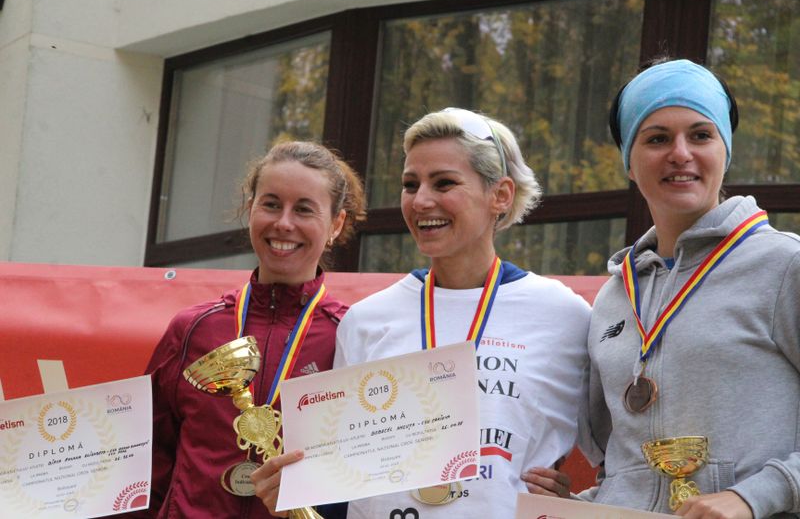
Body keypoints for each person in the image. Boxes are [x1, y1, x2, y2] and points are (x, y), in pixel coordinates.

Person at [252, 108, 591, 519]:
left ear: (500, 195)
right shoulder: (366, 320)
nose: (421, 200)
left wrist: (574, 506)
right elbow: (342, 486)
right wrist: (296, 499)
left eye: (444, 182)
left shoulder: (564, 315)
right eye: (410, 185)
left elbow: (625, 457)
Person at [525, 59, 800, 518]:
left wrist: (753, 496)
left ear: (725, 151)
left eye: (700, 135)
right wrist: (573, 507)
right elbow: (627, 471)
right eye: (657, 139)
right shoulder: (615, 297)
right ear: (630, 164)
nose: (680, 153)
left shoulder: (784, 264)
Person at [135, 141, 366, 518]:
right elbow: (146, 465)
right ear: (250, 208)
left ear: (336, 224)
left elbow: (366, 478)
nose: (284, 223)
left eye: (304, 209)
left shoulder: (350, 336)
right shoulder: (193, 330)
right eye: (271, 204)